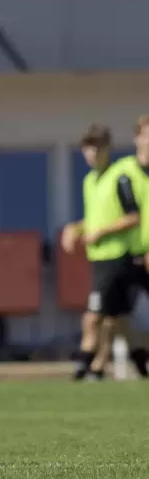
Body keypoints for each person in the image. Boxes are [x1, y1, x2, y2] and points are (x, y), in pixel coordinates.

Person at [62, 125, 141, 381]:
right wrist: (77, 228)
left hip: (117, 257)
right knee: (116, 319)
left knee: (93, 315)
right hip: (98, 258)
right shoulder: (89, 181)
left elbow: (133, 216)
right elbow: (95, 219)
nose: (91, 153)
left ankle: (82, 369)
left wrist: (102, 233)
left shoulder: (120, 176)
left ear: (107, 149)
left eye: (96, 147)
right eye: (87, 148)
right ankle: (140, 363)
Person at [91, 117, 149, 379]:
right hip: (129, 257)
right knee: (112, 315)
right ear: (137, 138)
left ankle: (98, 366)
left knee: (113, 316)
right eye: (146, 135)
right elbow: (113, 215)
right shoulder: (122, 173)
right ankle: (100, 365)